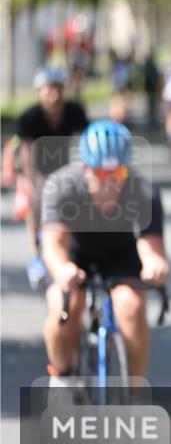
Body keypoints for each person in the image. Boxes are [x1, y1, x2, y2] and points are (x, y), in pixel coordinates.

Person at [40, 120, 170, 382]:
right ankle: (61, 376)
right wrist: (62, 268)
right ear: (86, 168)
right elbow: (53, 243)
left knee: (131, 307)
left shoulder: (144, 190)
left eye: (118, 174)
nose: (110, 182)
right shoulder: (62, 186)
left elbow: (151, 243)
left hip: (120, 253)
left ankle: (133, 392)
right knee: (65, 308)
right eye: (101, 174)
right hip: (74, 255)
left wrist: (155, 263)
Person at [9, 66, 89, 289]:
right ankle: (36, 254)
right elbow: (27, 155)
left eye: (58, 89)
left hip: (64, 169)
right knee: (35, 201)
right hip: (36, 170)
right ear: (40, 91)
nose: (54, 95)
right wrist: (33, 181)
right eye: (48, 90)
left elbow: (87, 142)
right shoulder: (30, 117)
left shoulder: (74, 111)